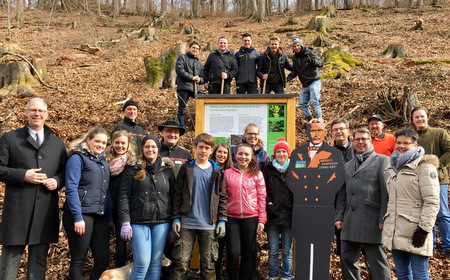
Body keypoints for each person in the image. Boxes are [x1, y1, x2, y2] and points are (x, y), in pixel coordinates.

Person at [0, 97, 67, 280]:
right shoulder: (10, 138)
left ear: (46, 114)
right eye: (33, 110)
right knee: (8, 268)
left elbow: (65, 171)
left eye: (41, 111)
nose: (37, 114)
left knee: (38, 268)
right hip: (17, 213)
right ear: (27, 112)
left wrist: (57, 181)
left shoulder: (57, 144)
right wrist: (23, 175)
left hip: (44, 213)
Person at [285, 119, 345, 280]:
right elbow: (291, 179)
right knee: (302, 253)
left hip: (324, 210)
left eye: (319, 130)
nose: (316, 134)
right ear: (307, 133)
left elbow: (337, 179)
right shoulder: (297, 153)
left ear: (325, 133)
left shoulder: (335, 154)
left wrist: (323, 189)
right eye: (312, 131)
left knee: (321, 254)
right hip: (302, 210)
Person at [383, 127, 440, 280]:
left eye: (406, 143)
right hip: (396, 230)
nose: (401, 146)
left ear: (415, 145)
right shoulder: (393, 166)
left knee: (420, 275)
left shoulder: (424, 167)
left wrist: (424, 229)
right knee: (402, 274)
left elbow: (432, 201)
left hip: (416, 230)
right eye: (399, 143)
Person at [335, 127, 391, 280]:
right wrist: (339, 216)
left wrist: (383, 218)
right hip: (349, 221)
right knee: (346, 259)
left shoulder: (383, 160)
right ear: (352, 142)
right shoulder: (347, 166)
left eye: (363, 139)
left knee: (378, 263)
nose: (360, 142)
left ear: (370, 141)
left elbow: (387, 192)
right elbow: (342, 194)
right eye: (357, 139)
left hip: (372, 222)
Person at [118, 134, 175, 279]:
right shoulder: (133, 169)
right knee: (142, 262)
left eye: (154, 146)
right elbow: (123, 196)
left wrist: (175, 220)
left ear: (158, 148)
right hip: (138, 222)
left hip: (161, 222)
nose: (151, 149)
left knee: (155, 263)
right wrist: (125, 221)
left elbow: (174, 196)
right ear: (142, 148)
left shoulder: (167, 171)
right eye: (147, 146)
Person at [171, 133, 227, 280]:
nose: (203, 150)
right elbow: (178, 193)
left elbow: (222, 197)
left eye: (207, 148)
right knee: (181, 263)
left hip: (209, 224)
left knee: (208, 265)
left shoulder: (217, 171)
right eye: (200, 147)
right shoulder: (186, 168)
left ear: (211, 150)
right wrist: (176, 218)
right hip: (187, 222)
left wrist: (222, 219)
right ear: (195, 147)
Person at [62, 127, 111, 280]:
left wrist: (109, 217)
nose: (101, 145)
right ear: (88, 140)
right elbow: (71, 188)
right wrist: (77, 217)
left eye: (104, 143)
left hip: (99, 216)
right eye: (97, 141)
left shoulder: (103, 163)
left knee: (102, 260)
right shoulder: (77, 158)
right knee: (79, 260)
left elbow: (106, 192)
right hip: (80, 215)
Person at [411, 107, 450, 260]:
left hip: (438, 180)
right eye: (416, 117)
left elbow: (448, 150)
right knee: (425, 214)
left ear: (427, 117)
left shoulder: (439, 133)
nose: (420, 119)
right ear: (413, 120)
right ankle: (430, 245)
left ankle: (447, 247)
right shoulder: (413, 137)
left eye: (422, 116)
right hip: (418, 182)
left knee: (442, 213)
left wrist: (436, 165)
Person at [225, 143, 266, 280]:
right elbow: (223, 196)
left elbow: (262, 197)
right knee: (233, 253)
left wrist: (261, 220)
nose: (243, 157)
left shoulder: (257, 174)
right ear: (235, 155)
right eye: (240, 154)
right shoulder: (227, 173)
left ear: (252, 157)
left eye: (246, 154)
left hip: (251, 217)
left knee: (248, 254)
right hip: (231, 217)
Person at [104, 130, 138, 267]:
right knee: (102, 247)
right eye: (117, 142)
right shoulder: (104, 161)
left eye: (123, 143)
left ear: (128, 144)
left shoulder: (132, 164)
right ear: (112, 143)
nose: (120, 146)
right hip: (104, 207)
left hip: (122, 211)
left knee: (121, 248)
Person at [263, 138, 293, 280]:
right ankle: (273, 275)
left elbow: (298, 191)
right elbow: (263, 191)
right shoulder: (268, 170)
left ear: (288, 154)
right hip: (272, 216)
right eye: (278, 151)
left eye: (284, 151)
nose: (281, 154)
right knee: (273, 250)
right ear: (274, 154)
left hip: (289, 216)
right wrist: (269, 204)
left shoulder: (294, 169)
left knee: (287, 250)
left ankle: (286, 275)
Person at [330, 118, 354, 257]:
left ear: (348, 131)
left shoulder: (358, 150)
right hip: (335, 204)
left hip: (356, 203)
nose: (339, 132)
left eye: (341, 129)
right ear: (331, 134)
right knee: (342, 247)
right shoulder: (327, 154)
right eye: (335, 130)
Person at [287, 36, 323, 121]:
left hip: (314, 80)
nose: (296, 47)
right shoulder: (295, 58)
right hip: (305, 84)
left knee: (314, 102)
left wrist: (313, 61)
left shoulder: (309, 53)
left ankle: (319, 120)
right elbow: (296, 70)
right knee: (302, 104)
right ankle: (310, 120)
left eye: (298, 45)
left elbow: (321, 64)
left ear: (301, 45)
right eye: (294, 46)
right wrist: (290, 77)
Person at [211, 142, 233, 279]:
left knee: (231, 251)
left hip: (229, 215)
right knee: (214, 251)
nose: (222, 155)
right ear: (215, 153)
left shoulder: (232, 171)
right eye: (219, 152)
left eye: (225, 153)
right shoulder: (209, 168)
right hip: (212, 215)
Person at [176, 40, 204, 127]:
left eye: (197, 48)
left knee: (203, 101)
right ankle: (181, 127)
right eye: (193, 47)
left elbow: (203, 77)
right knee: (182, 109)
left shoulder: (199, 63)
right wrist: (191, 78)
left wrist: (200, 80)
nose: (195, 49)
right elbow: (180, 70)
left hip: (196, 88)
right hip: (184, 87)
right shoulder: (182, 58)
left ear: (199, 51)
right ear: (190, 48)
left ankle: (200, 125)